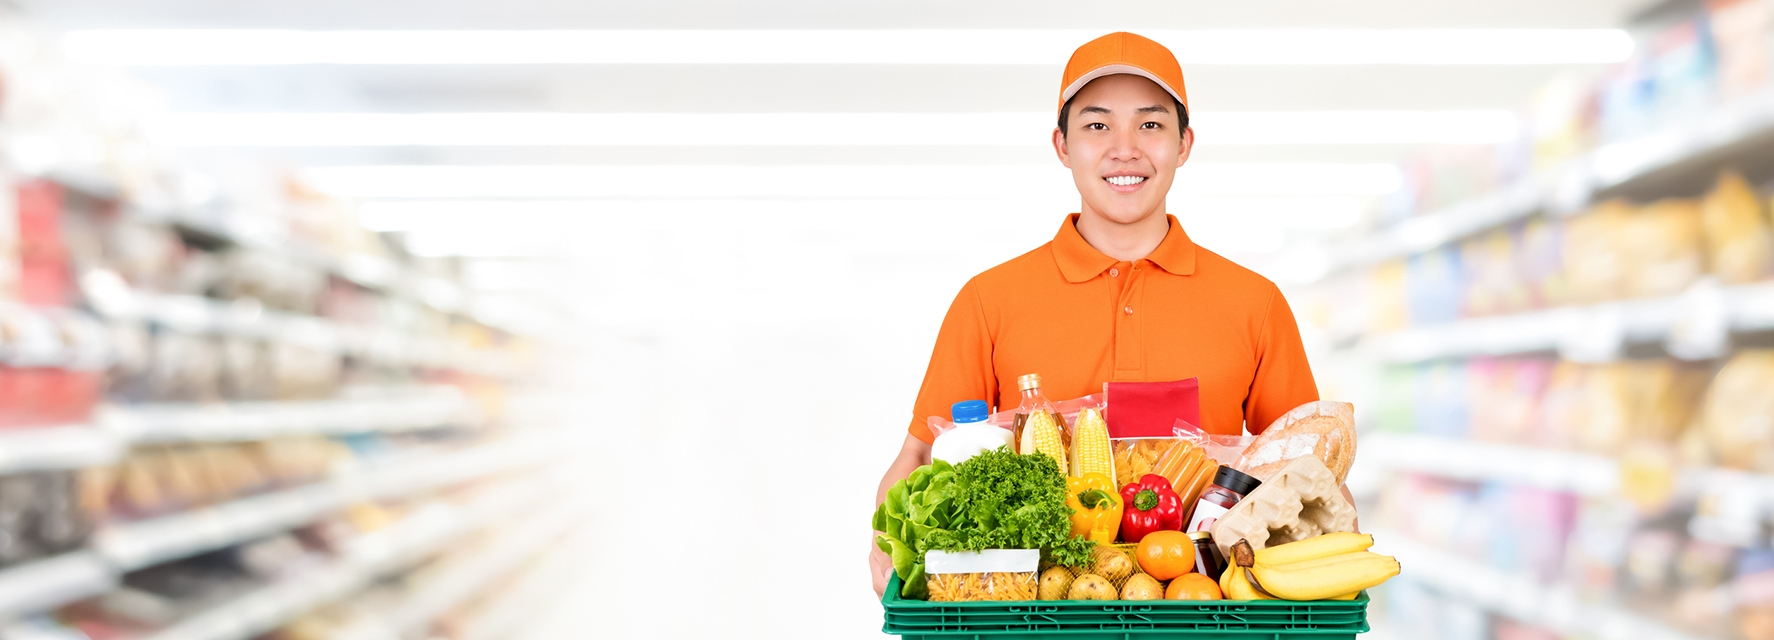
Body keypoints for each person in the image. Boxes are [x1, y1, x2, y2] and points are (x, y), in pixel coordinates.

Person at [868, 32, 1325, 597]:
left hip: (1205, 610)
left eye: (1150, 124)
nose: (1125, 149)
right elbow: (921, 454)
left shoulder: (1254, 302)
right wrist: (889, 541)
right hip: (1034, 616)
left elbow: (1309, 463)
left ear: (1184, 144)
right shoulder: (989, 299)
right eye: (1097, 125)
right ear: (1062, 145)